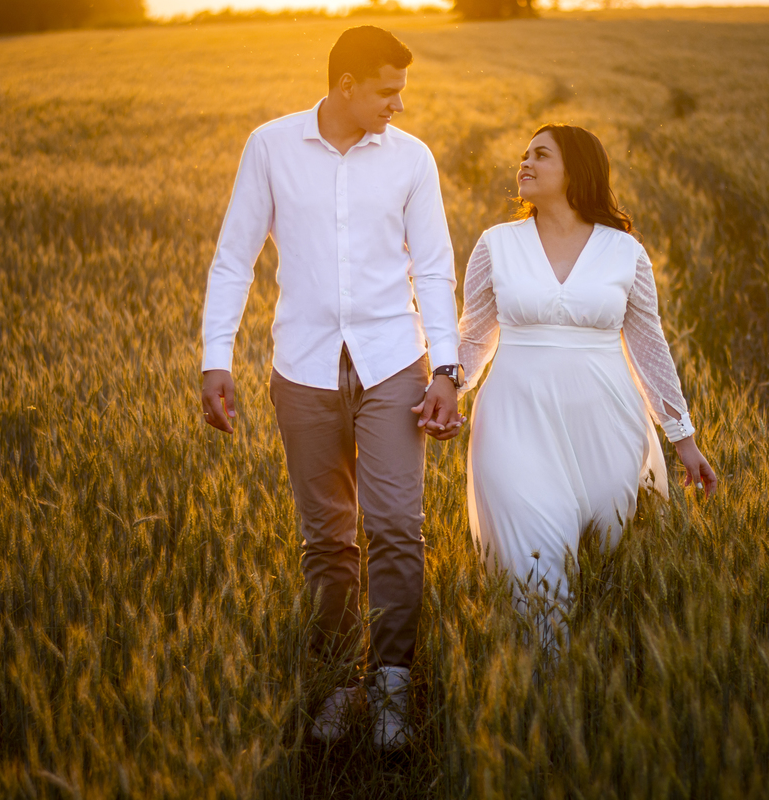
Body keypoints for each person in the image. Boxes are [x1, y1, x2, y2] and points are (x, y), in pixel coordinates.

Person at [199, 26, 464, 750]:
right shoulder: (271, 146)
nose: (399, 105)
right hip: (304, 367)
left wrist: (446, 369)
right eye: (387, 90)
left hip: (393, 362)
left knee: (395, 525)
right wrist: (216, 357)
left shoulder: (412, 159)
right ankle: (339, 682)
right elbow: (234, 258)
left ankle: (391, 685)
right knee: (326, 540)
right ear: (346, 84)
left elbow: (434, 268)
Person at [455, 124, 718, 652]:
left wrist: (683, 438)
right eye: (524, 155)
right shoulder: (496, 244)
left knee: (603, 562)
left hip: (606, 424)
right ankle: (543, 686)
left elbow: (649, 347)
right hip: (513, 421)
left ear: (576, 170)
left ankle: (591, 674)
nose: (525, 163)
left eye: (541, 155)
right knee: (536, 563)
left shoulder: (625, 252)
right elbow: (472, 339)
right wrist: (439, 391)